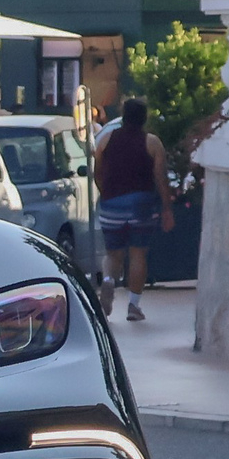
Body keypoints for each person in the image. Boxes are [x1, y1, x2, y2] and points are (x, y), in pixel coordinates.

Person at [93, 96, 176, 323]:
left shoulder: (106, 139)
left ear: (123, 116)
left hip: (111, 203)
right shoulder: (152, 142)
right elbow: (160, 178)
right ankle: (133, 305)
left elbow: (97, 171)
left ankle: (109, 280)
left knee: (113, 254)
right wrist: (166, 208)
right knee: (138, 253)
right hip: (141, 204)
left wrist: (105, 193)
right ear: (144, 118)